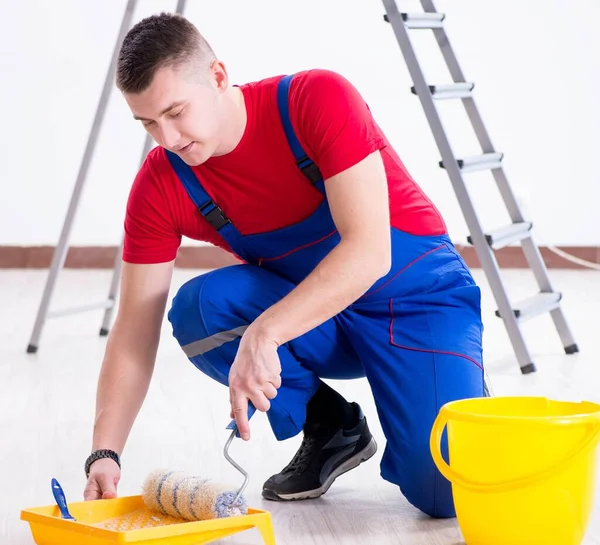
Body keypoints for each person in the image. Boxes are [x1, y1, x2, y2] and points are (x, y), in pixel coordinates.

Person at [82, 12, 486, 519]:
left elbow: (368, 252)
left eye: (176, 112)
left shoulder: (315, 100)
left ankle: (449, 400)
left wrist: (265, 334)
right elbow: (134, 330)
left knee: (446, 492)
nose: (167, 138)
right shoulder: (163, 183)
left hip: (416, 303)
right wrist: (105, 451)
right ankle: (330, 426)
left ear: (218, 76)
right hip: (319, 320)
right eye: (148, 123)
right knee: (199, 310)